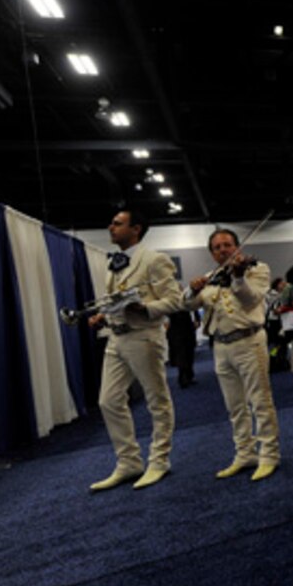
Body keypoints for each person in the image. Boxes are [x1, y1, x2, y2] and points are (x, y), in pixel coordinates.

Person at [89, 210, 182, 491]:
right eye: (112, 222)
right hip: (116, 339)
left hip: (144, 338)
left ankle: (159, 461)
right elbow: (115, 301)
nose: (111, 227)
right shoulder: (112, 263)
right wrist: (104, 316)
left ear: (136, 229)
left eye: (117, 223)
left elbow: (175, 301)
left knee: (157, 400)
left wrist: (144, 308)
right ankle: (129, 462)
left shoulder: (155, 260)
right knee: (108, 401)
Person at [183, 229, 280, 481]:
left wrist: (238, 277)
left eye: (227, 245)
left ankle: (269, 454)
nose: (223, 250)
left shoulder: (256, 269)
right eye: (216, 247)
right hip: (220, 346)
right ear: (211, 253)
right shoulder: (210, 277)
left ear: (238, 247)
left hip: (250, 341)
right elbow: (187, 305)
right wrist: (192, 290)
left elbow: (251, 299)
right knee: (235, 406)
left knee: (260, 401)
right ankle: (245, 453)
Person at [165, 308, 199, 388]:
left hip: (188, 324)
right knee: (180, 353)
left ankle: (189, 375)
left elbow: (193, 306)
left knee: (190, 351)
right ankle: (182, 377)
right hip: (174, 325)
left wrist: (197, 318)